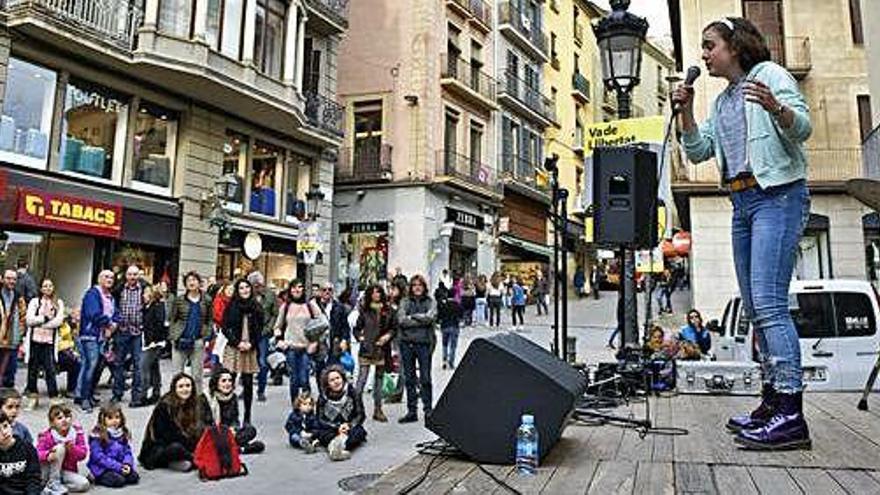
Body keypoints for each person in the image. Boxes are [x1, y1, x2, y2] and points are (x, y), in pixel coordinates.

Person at [674, 16, 812, 450]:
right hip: (742, 203)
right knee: (755, 309)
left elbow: (803, 128)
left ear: (735, 46)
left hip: (778, 196)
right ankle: (772, 401)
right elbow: (697, 152)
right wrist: (687, 112)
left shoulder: (769, 76)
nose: (703, 54)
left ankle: (791, 413)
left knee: (771, 305)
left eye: (709, 45)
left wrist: (776, 107)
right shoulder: (723, 100)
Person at [138, 373, 204, 472]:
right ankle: (194, 460)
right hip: (161, 446)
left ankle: (185, 461)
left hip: (184, 444)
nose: (185, 389)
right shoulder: (165, 406)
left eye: (188, 386)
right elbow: (167, 435)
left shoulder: (194, 403)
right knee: (176, 448)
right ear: (174, 389)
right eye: (181, 386)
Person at [274, 279, 324, 401]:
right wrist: (279, 340)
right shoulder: (285, 307)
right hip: (291, 347)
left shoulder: (310, 306)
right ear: (290, 290)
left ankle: (307, 405)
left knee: (304, 378)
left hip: (306, 348)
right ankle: (296, 407)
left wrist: (315, 342)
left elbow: (323, 325)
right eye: (294, 287)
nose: (297, 290)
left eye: (300, 287)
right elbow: (277, 326)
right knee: (294, 380)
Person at [221, 280, 263, 425]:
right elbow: (225, 328)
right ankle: (228, 415)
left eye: (246, 287)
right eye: (241, 288)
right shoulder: (232, 306)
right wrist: (237, 342)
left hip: (250, 349)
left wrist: (251, 344)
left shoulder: (257, 307)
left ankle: (247, 417)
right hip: (234, 347)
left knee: (248, 383)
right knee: (228, 382)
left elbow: (259, 330)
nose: (244, 290)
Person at [76, 271, 118, 413]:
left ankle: (89, 394)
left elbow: (116, 314)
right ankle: (84, 399)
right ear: (99, 279)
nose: (109, 279)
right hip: (90, 336)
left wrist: (115, 324)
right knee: (91, 365)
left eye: (112, 277)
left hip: (103, 337)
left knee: (98, 367)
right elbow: (92, 313)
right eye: (106, 277)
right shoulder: (92, 294)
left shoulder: (110, 297)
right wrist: (108, 324)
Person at [396, 275, 436, 424]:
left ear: (424, 287)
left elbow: (430, 318)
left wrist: (412, 317)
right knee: (409, 378)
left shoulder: (430, 301)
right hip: (407, 344)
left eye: (420, 285)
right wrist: (421, 319)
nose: (417, 287)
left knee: (425, 378)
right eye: (414, 285)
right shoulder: (405, 301)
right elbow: (401, 320)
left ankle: (428, 410)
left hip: (424, 344)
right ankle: (412, 411)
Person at [352, 284, 394, 423]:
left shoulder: (387, 311)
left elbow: (393, 328)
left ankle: (378, 409)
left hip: (381, 350)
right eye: (374, 292)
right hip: (366, 350)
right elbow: (356, 329)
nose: (376, 295)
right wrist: (361, 338)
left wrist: (387, 336)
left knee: (379, 381)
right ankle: (357, 410)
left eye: (378, 292)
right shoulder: (364, 311)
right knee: (361, 381)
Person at [168, 272, 212, 398]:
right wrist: (173, 336)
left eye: (194, 280)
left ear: (199, 283)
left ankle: (197, 401)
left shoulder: (207, 299)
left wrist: (206, 335)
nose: (191, 282)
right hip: (180, 339)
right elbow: (172, 319)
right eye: (188, 280)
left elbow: (209, 319)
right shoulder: (179, 300)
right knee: (177, 375)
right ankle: (176, 400)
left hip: (198, 341)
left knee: (197, 375)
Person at [202, 368, 265, 454]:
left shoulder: (233, 397)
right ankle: (238, 449)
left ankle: (231, 448)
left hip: (229, 434)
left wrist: (233, 429)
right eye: (223, 381)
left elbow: (235, 420)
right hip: (212, 433)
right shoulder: (206, 398)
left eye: (230, 380)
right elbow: (205, 423)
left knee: (250, 430)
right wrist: (222, 431)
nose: (227, 383)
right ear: (216, 383)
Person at [24, 279, 65, 409]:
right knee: (32, 369)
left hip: (49, 342)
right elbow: (29, 320)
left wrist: (42, 324)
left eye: (50, 286)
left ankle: (53, 397)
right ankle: (33, 396)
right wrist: (44, 319)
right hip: (35, 341)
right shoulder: (35, 302)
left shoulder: (58, 303)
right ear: (41, 288)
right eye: (45, 286)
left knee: (50, 369)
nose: (47, 288)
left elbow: (58, 321)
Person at [110, 265, 145, 406]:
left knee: (138, 365)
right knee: (118, 363)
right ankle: (117, 393)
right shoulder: (118, 289)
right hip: (122, 331)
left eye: (135, 274)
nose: (132, 277)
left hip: (138, 332)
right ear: (126, 275)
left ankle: (136, 396)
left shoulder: (144, 289)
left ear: (139, 276)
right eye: (130, 274)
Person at [35, 403, 90, 493]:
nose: (64, 420)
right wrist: (47, 455)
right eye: (59, 418)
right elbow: (36, 453)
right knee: (60, 448)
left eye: (67, 417)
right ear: (52, 422)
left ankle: (52, 487)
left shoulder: (77, 432)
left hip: (66, 471)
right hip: (48, 471)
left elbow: (83, 455)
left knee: (84, 484)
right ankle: (53, 482)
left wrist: (72, 448)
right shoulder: (46, 435)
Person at [315, 365, 366, 461]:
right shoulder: (323, 397)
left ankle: (337, 447)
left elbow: (360, 415)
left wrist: (349, 425)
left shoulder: (353, 392)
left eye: (338, 378)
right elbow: (320, 419)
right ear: (327, 384)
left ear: (343, 378)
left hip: (349, 427)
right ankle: (337, 449)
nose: (336, 382)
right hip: (332, 428)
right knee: (322, 433)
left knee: (358, 433)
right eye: (332, 380)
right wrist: (337, 427)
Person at [87, 404, 139, 488]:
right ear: (103, 419)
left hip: (119, 465)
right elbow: (99, 457)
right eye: (110, 418)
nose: (114, 421)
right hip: (102, 468)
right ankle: (95, 477)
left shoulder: (122, 432)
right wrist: (118, 467)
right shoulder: (97, 435)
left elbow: (127, 452)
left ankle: (118, 473)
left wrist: (127, 464)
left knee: (134, 477)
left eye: (117, 417)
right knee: (119, 481)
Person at [247, 272, 277, 403]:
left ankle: (261, 390)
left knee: (263, 363)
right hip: (248, 333)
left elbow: (275, 314)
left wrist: (268, 328)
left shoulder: (270, 295)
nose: (257, 288)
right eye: (255, 285)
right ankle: (246, 389)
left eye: (259, 285)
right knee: (247, 363)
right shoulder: (247, 295)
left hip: (263, 333)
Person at [0, 410, 41, 495]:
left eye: (5, 426)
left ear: (10, 426)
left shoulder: (27, 448)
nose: (4, 432)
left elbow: (33, 478)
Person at [139, 285, 166, 407]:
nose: (143, 295)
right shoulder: (146, 307)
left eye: (145, 293)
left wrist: (153, 340)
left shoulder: (157, 307)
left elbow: (159, 324)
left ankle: (143, 395)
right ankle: (156, 393)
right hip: (149, 341)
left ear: (152, 295)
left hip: (154, 342)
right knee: (154, 367)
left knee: (143, 367)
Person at [0, 270, 27, 388]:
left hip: (12, 341)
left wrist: (19, 334)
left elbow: (23, 317)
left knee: (9, 375)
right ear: (2, 279)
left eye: (14, 279)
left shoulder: (18, 297)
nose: (11, 281)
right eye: (8, 278)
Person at [317, 282, 351, 370]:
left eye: (330, 290)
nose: (327, 292)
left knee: (332, 368)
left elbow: (345, 326)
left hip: (335, 342)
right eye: (324, 290)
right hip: (319, 343)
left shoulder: (339, 307)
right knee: (319, 369)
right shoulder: (314, 306)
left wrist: (344, 340)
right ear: (320, 292)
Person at [435, 286, 461, 370]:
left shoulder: (443, 305)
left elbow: (439, 316)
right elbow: (461, 315)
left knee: (444, 344)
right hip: (454, 326)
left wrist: (438, 322)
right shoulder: (457, 305)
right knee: (453, 345)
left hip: (445, 326)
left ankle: (444, 360)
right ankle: (451, 362)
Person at [57, 310, 81, 399]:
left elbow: (71, 339)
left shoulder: (66, 325)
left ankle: (79, 388)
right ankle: (71, 389)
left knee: (79, 360)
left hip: (68, 349)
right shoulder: (56, 327)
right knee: (75, 362)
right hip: (59, 351)